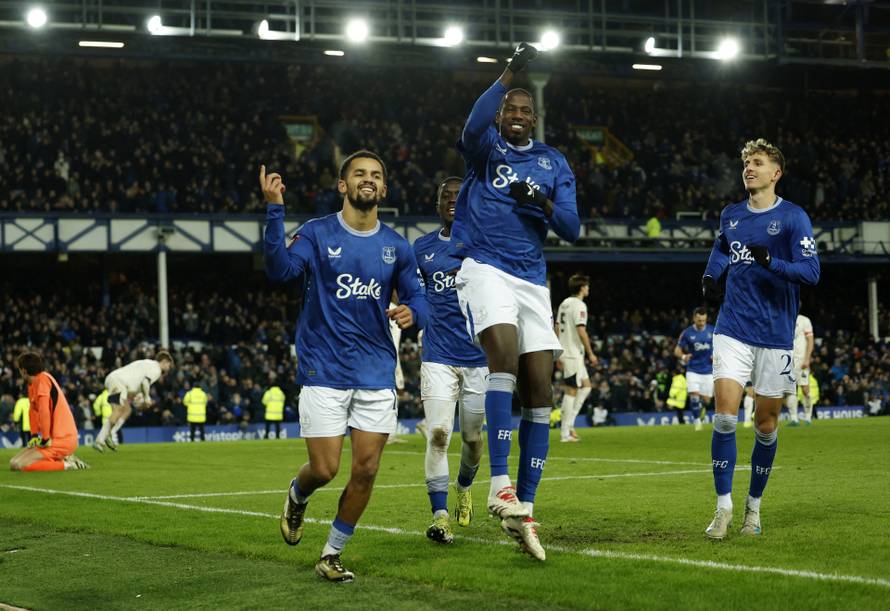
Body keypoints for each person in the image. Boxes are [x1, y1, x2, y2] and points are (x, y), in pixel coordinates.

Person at [262, 150, 428, 582]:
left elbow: (419, 298)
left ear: (384, 188)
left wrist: (414, 313)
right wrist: (274, 211)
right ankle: (298, 495)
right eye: (359, 174)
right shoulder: (316, 234)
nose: (368, 179)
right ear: (343, 185)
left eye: (376, 174)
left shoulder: (396, 246)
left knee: (367, 469)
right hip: (324, 368)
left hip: (375, 371)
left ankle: (332, 553)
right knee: (325, 469)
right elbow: (279, 271)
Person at [451, 42, 581, 561]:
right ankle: (498, 481)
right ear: (502, 117)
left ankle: (522, 509)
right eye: (512, 110)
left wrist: (542, 202)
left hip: (532, 279)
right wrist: (505, 77)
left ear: (536, 118)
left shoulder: (554, 162)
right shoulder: (486, 153)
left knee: (541, 394)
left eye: (527, 111)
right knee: (501, 356)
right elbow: (469, 128)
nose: (519, 116)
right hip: (485, 266)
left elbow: (572, 227)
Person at [701, 138, 820, 539]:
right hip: (732, 328)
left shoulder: (793, 218)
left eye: (757, 163)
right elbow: (722, 248)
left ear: (776, 173)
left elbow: (811, 272)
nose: (749, 169)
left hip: (774, 335)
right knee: (723, 416)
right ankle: (723, 508)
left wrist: (773, 262)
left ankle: (754, 507)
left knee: (765, 425)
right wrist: (710, 275)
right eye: (746, 164)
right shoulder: (731, 215)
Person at [413, 176, 489, 544]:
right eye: (446, 196)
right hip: (437, 356)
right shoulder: (422, 249)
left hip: (477, 357)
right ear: (437, 204)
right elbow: (415, 296)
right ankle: (439, 514)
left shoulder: (484, 245)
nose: (453, 201)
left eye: (460, 196)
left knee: (473, 439)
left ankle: (464, 485)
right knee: (440, 434)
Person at [9, 352, 89, 472]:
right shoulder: (32, 384)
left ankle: (69, 464)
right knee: (14, 463)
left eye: (19, 369)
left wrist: (45, 438)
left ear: (24, 371)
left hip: (62, 439)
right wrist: (35, 435)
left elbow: (44, 410)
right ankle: (63, 458)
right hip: (53, 439)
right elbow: (33, 410)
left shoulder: (43, 379)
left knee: (22, 465)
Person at [93, 351, 175, 452]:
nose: (169, 368)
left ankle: (109, 433)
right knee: (118, 410)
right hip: (118, 382)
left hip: (116, 381)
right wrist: (147, 397)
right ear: (164, 361)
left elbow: (138, 384)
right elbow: (145, 382)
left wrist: (140, 399)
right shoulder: (156, 368)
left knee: (127, 410)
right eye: (169, 365)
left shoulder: (147, 364)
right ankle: (100, 439)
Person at [555, 273, 597, 442]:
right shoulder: (580, 305)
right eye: (586, 285)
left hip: (568, 352)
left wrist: (557, 351)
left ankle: (570, 423)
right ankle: (565, 433)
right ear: (581, 288)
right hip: (573, 354)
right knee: (571, 391)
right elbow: (581, 330)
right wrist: (591, 353)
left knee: (586, 387)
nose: (588, 288)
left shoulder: (564, 303)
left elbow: (557, 327)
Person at [674, 307, 715, 431]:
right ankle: (697, 422)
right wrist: (683, 356)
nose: (701, 323)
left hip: (708, 371)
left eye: (703, 320)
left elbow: (721, 346)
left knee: (707, 400)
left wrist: (716, 355)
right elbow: (677, 350)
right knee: (694, 396)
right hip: (693, 370)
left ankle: (701, 408)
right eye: (699, 320)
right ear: (694, 318)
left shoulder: (712, 331)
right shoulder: (687, 333)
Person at [784, 311, 815, 426]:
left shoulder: (804, 320)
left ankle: (808, 417)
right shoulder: (784, 319)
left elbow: (810, 341)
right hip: (787, 360)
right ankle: (794, 419)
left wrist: (807, 358)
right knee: (790, 390)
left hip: (801, 360)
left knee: (805, 389)